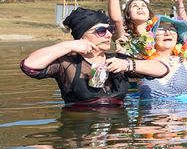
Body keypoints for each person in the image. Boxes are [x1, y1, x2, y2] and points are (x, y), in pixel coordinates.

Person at [20, 7, 170, 106]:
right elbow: (30, 66)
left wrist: (129, 65)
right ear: (81, 36)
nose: (109, 35)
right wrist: (67, 46)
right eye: (101, 31)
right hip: (81, 132)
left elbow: (162, 69)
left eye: (109, 29)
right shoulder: (68, 62)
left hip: (116, 136)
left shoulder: (117, 60)